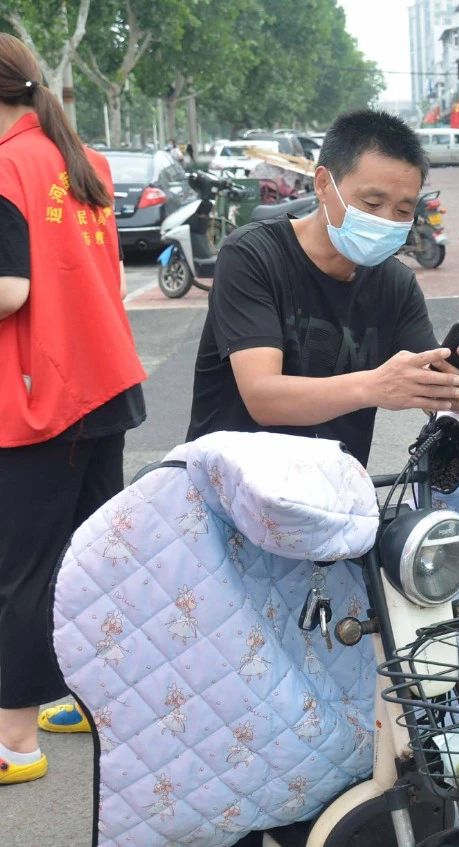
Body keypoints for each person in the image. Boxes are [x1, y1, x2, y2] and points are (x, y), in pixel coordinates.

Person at [0, 33, 147, 784]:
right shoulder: (82, 159)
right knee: (89, 562)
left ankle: (14, 742)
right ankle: (92, 703)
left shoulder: (6, 164)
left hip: (43, 394)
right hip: (105, 382)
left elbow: (10, 290)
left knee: (23, 570)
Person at [186, 109, 459, 466]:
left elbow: (428, 385)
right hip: (229, 481)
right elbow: (263, 397)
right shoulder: (253, 256)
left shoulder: (396, 284)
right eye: (372, 203)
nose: (386, 220)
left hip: (333, 489)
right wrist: (373, 386)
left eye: (402, 211)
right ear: (323, 184)